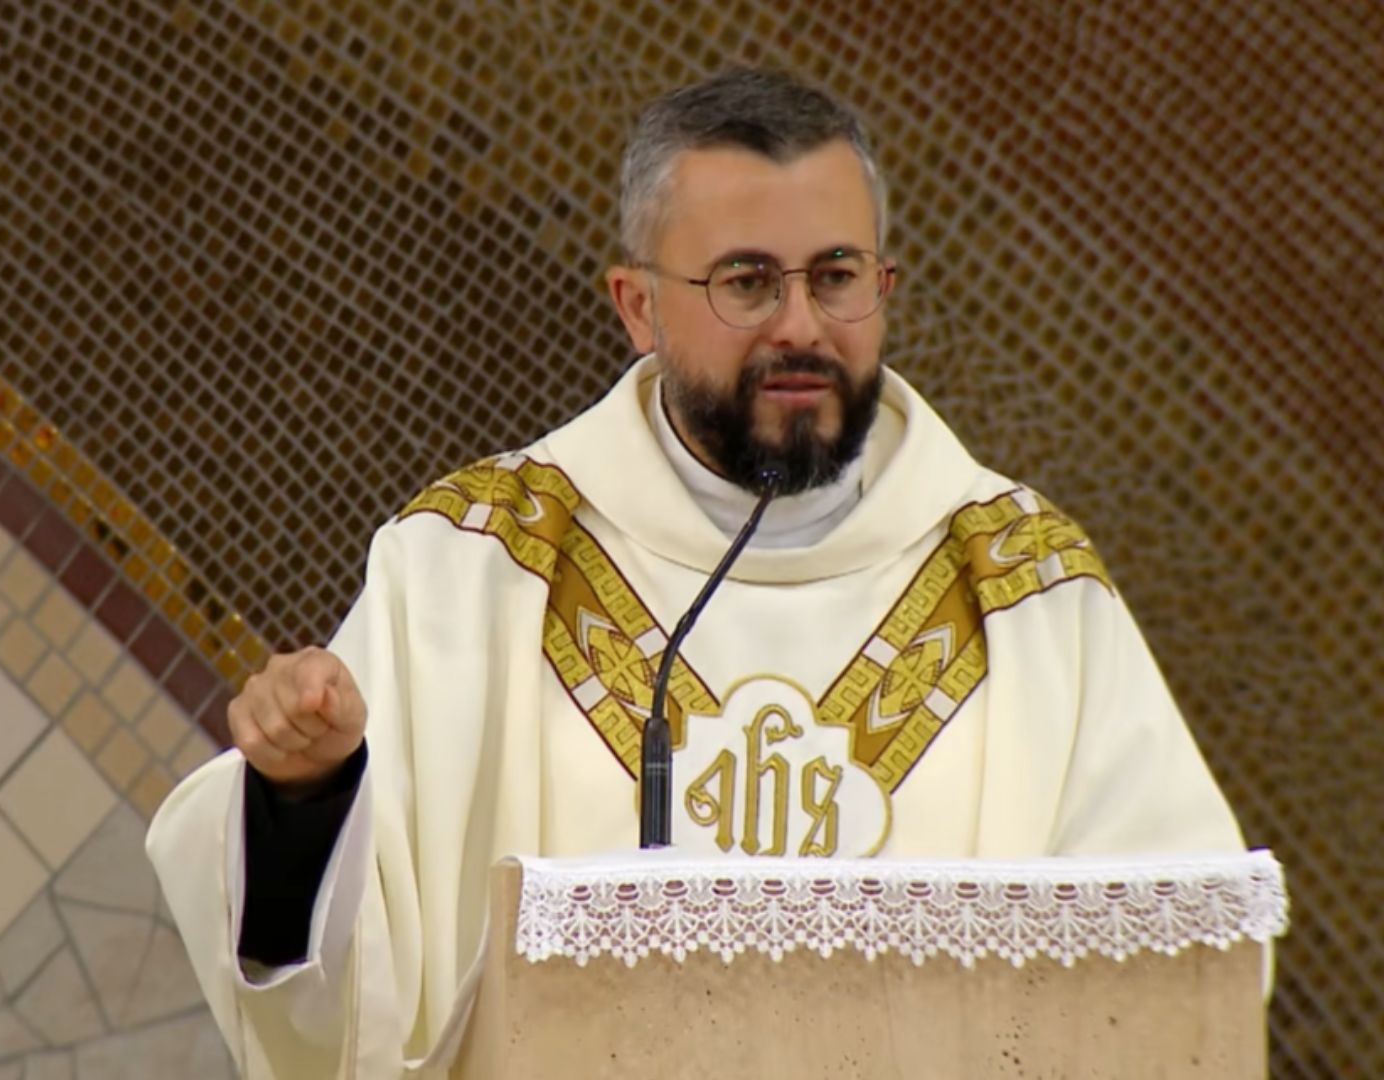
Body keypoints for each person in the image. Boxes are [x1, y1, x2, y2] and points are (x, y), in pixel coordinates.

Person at [147, 66, 1244, 1079]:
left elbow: (1171, 967)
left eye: (836, 277)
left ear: (885, 287)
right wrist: (308, 791)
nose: (801, 327)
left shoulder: (1027, 592)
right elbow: (331, 987)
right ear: (637, 307)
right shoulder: (476, 566)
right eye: (748, 283)